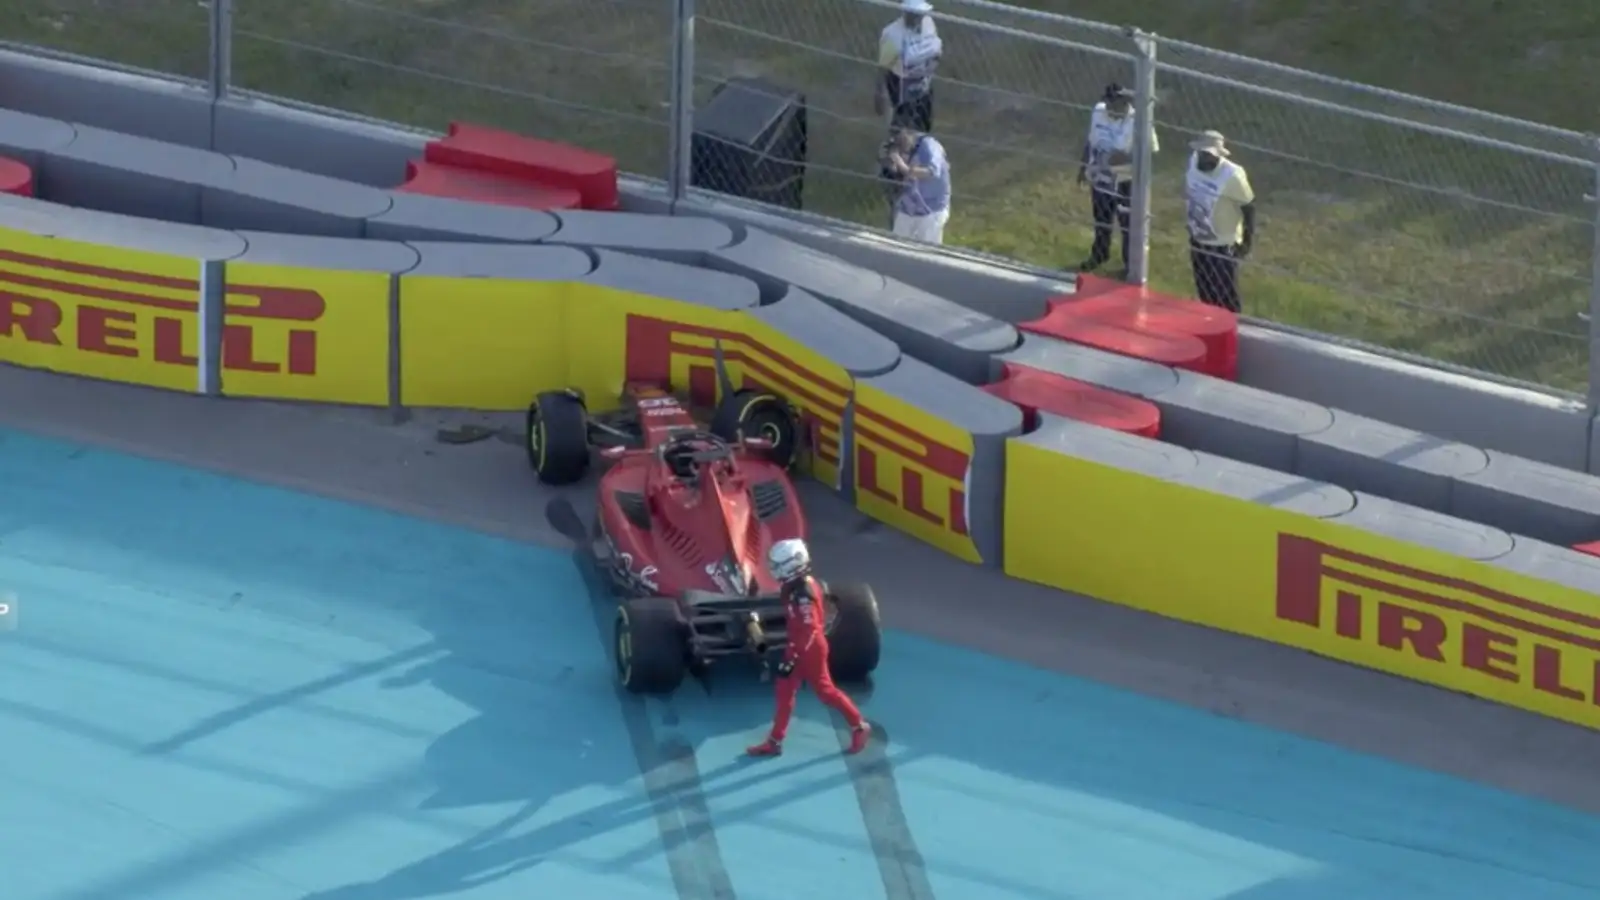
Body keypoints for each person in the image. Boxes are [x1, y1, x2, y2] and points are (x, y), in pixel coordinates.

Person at [747, 538, 871, 757]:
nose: (772, 569)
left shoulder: (802, 595)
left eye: (777, 565)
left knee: (826, 692)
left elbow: (810, 630)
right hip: (799, 646)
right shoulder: (796, 586)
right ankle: (775, 741)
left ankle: (859, 726)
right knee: (784, 691)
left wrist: (793, 657)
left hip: (809, 649)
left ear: (790, 565)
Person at [1076, 82, 1157, 276]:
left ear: (1125, 102)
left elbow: (1151, 152)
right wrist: (1083, 167)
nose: (1111, 108)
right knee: (1102, 220)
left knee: (1128, 225)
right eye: (1109, 103)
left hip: (1125, 183)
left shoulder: (1138, 121)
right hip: (1100, 178)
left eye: (1115, 104)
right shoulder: (1098, 112)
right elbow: (1090, 141)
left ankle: (1130, 265)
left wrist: (1126, 157)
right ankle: (1099, 254)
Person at [1183, 130, 1255, 312]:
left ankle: (1233, 329)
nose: (1204, 159)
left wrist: (1246, 241)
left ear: (1219, 156)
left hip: (1222, 245)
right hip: (1198, 240)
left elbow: (1249, 207)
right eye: (1202, 153)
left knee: (1226, 295)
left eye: (1209, 155)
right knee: (1204, 289)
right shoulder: (1193, 162)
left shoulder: (1232, 175)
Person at [875, 0, 942, 133]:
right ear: (906, 12)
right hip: (901, 86)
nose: (919, 17)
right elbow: (884, 67)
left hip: (924, 85)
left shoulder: (928, 24)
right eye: (916, 14)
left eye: (921, 13)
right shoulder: (893, 35)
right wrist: (880, 94)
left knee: (923, 126)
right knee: (903, 129)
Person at [886, 122, 951, 244]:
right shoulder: (897, 147)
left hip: (931, 208)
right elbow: (893, 175)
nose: (900, 142)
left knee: (927, 251)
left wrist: (902, 166)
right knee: (895, 246)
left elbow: (932, 172)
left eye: (901, 137)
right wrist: (892, 164)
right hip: (907, 206)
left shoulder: (929, 146)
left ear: (910, 133)